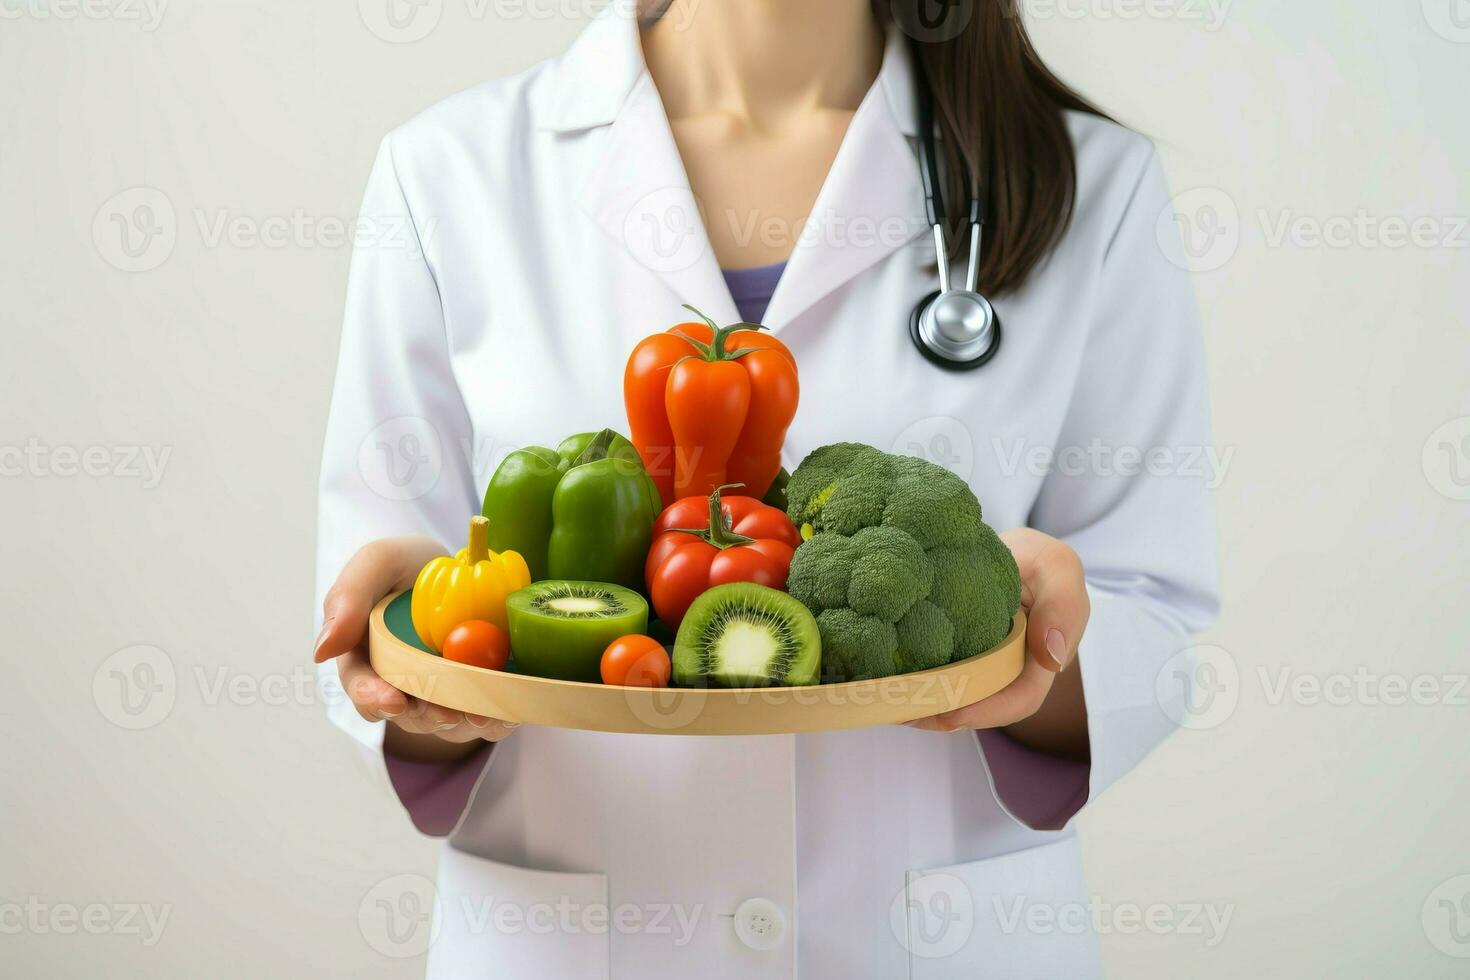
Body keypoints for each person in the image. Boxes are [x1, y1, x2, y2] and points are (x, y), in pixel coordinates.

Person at [314, 1, 1219, 975]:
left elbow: (1155, 612)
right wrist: (422, 653)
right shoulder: (448, 172)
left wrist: (1038, 645)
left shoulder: (1092, 184)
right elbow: (379, 620)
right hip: (576, 937)